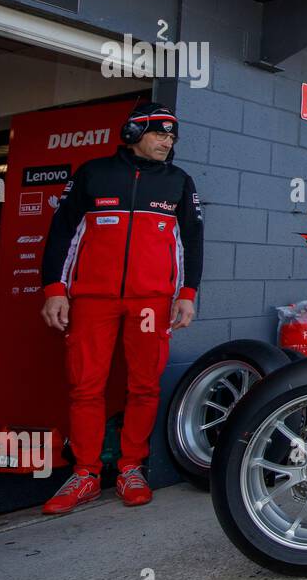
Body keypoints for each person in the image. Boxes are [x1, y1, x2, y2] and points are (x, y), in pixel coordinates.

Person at [39, 103, 203, 515]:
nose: (168, 142)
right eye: (159, 134)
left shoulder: (179, 182)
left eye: (172, 136)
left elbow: (193, 242)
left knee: (145, 385)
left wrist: (186, 294)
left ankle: (131, 466)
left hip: (151, 301)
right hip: (92, 298)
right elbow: (61, 232)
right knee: (85, 385)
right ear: (132, 132)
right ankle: (86, 473)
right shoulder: (93, 174)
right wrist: (55, 289)